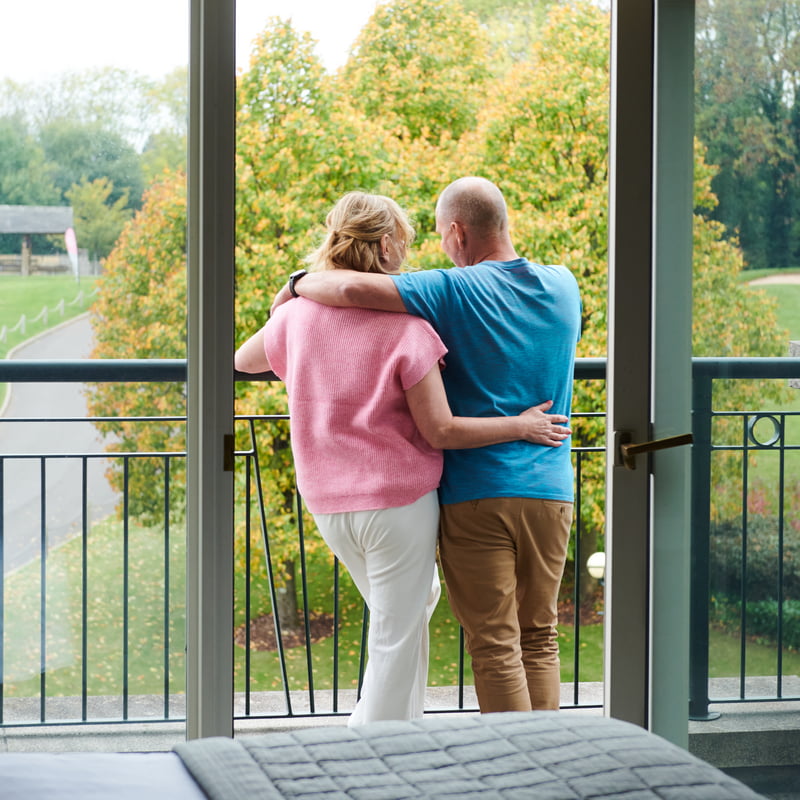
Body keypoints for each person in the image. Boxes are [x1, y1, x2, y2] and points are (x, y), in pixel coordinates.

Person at [235, 190, 571, 725]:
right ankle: (374, 744)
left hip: (331, 502)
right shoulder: (423, 325)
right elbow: (438, 428)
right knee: (425, 631)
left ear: (457, 232)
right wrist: (520, 425)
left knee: (435, 617)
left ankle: (408, 734)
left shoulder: (301, 317)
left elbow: (243, 361)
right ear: (387, 247)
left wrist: (293, 294)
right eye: (409, 241)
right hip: (419, 501)